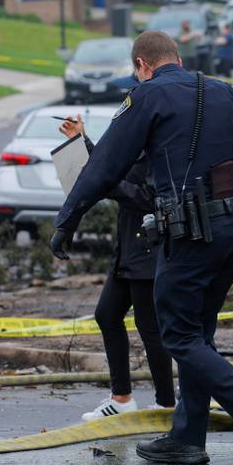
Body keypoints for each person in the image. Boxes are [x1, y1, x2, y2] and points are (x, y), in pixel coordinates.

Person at [50, 31, 233, 465]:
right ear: (178, 58)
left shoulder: (144, 97)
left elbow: (103, 167)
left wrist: (67, 221)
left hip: (189, 237)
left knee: (177, 335)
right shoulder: (221, 91)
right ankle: (187, 438)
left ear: (142, 65)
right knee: (198, 335)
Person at [58, 114, 175, 421]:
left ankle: (166, 404)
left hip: (147, 251)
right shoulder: (133, 144)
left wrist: (109, 184)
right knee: (107, 315)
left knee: (150, 330)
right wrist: (80, 140)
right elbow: (107, 167)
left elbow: (147, 198)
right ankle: (121, 397)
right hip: (127, 248)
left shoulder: (158, 151)